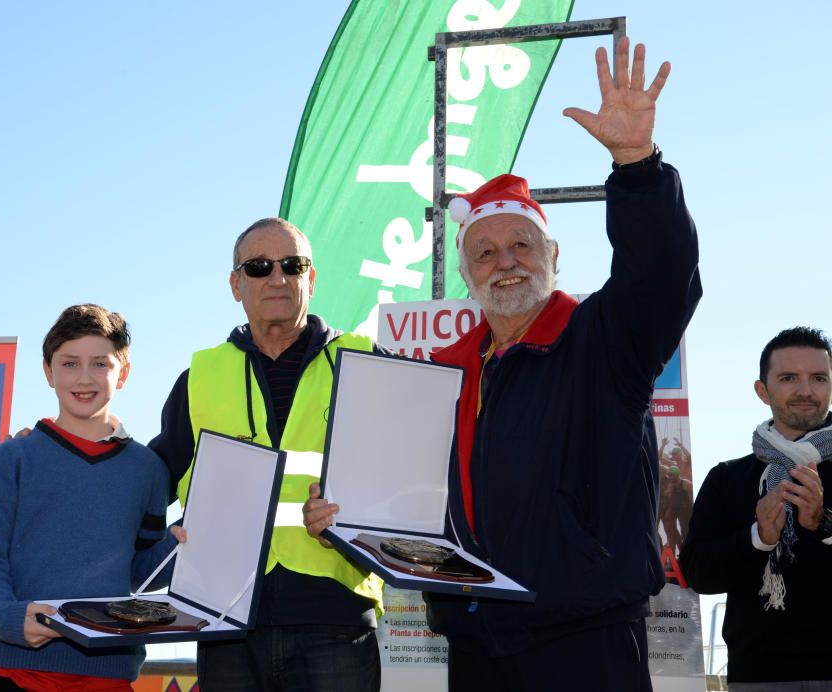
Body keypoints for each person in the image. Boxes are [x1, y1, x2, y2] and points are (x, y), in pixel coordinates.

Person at [302, 37, 701, 691]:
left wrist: (637, 168)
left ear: (553, 257)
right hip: (476, 646)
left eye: (522, 243)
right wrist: (346, 520)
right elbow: (413, 509)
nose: (506, 260)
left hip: (586, 642)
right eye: (485, 252)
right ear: (465, 273)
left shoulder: (602, 341)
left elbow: (662, 276)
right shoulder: (441, 377)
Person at [148, 219, 386, 691]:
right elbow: (145, 481)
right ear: (236, 284)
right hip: (224, 620)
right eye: (258, 267)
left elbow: (401, 484)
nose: (277, 278)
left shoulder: (363, 360)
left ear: (311, 279)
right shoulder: (200, 375)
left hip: (334, 616)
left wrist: (357, 515)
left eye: (291, 265)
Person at [0, 304, 182, 691]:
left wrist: (185, 544)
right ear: (48, 372)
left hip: (106, 674)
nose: (84, 378)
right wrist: (7, 618)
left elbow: (139, 572)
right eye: (69, 364)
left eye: (100, 364)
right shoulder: (13, 458)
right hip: (8, 670)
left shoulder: (148, 469)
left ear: (123, 373)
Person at [681, 327, 832, 690]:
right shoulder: (728, 478)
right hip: (759, 675)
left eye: (818, 378)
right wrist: (758, 538)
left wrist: (822, 526)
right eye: (788, 377)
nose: (805, 391)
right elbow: (698, 573)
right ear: (762, 391)